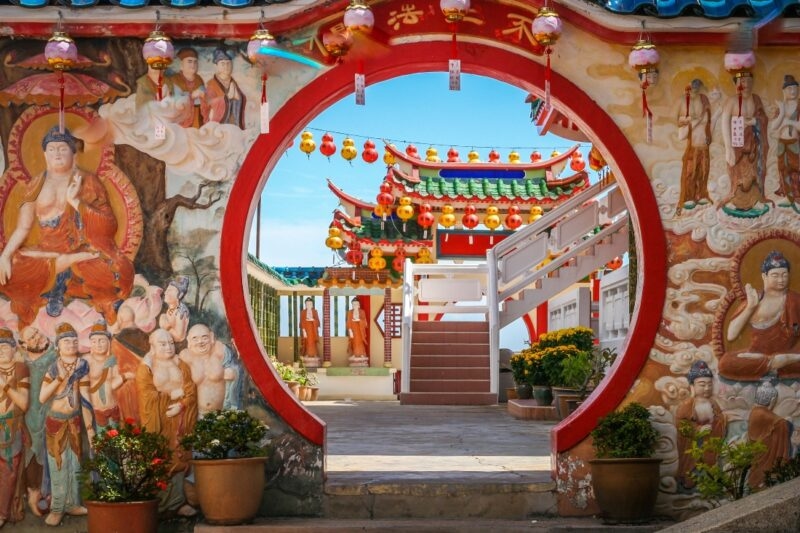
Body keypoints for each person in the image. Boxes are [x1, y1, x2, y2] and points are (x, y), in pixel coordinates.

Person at [0, 127, 134, 327]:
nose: (57, 154)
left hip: (83, 249)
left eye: (62, 148)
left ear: (73, 153)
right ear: (44, 154)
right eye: (52, 149)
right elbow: (22, 228)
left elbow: (109, 224)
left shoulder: (88, 181)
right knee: (9, 270)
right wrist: (5, 256)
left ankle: (62, 273)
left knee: (121, 272)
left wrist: (76, 203)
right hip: (46, 251)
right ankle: (63, 268)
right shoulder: (36, 184)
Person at [136, 328, 197, 516]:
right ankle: (159, 503)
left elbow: (191, 391)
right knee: (159, 457)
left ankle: (177, 503)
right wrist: (169, 396)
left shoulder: (181, 365)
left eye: (171, 343)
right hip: (158, 420)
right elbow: (146, 396)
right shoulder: (147, 367)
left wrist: (181, 406)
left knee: (179, 456)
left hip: (179, 419)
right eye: (163, 344)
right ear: (152, 346)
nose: (169, 347)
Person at [39, 323, 94, 526]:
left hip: (75, 421)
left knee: (76, 464)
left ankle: (72, 503)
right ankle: (57, 507)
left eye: (74, 341)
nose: (71, 344)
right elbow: (42, 397)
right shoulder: (54, 367)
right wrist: (59, 379)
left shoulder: (82, 366)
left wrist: (90, 430)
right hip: (56, 422)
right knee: (58, 466)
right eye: (66, 341)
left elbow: (86, 398)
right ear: (58, 346)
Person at [720, 250, 800, 380]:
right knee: (725, 363)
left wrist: (793, 356)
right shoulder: (754, 299)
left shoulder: (796, 301)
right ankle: (772, 363)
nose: (781, 280)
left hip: (789, 356)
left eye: (784, 275)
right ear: (764, 276)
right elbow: (731, 335)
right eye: (775, 275)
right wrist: (751, 307)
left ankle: (782, 360)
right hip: (755, 357)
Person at [720, 72, 770, 216]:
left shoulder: (756, 99)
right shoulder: (731, 101)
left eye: (748, 81)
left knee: (753, 174)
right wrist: (728, 148)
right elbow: (724, 123)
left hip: (753, 146)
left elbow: (763, 118)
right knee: (739, 176)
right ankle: (739, 203)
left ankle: (753, 202)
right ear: (735, 83)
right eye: (742, 81)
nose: (746, 84)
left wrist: (755, 122)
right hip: (737, 147)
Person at [19, 326, 56, 518]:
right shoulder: (22, 362)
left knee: (50, 454)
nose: (37, 337)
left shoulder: (55, 356)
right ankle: (33, 496)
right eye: (31, 337)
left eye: (37, 333)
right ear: (24, 345)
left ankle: (49, 496)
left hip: (51, 413)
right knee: (30, 454)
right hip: (28, 416)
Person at [675, 361, 726, 491]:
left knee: (712, 466)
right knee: (693, 470)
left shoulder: (713, 403)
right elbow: (682, 425)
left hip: (710, 444)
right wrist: (698, 430)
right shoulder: (687, 406)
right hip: (693, 447)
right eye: (702, 385)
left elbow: (720, 419)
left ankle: (712, 483)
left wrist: (719, 423)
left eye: (709, 384)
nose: (707, 388)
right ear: (692, 386)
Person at [0, 327, 29, 528]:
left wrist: (5, 385)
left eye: (3, 347)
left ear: (13, 349)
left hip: (12, 426)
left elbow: (23, 403)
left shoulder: (20, 369)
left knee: (9, 471)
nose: (0, 351)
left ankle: (3, 512)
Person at [178, 323, 241, 416]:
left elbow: (235, 369)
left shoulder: (220, 351)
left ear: (211, 337)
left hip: (220, 414)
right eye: (195, 338)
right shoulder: (185, 357)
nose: (200, 342)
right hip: (195, 414)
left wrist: (234, 373)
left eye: (204, 337)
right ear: (189, 342)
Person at [675, 79, 712, 215]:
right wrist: (690, 120)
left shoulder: (704, 100)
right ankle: (688, 197)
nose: (696, 92)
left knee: (704, 170)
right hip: (693, 142)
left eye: (698, 89)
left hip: (703, 141)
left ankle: (701, 194)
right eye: (693, 89)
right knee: (690, 171)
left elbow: (709, 118)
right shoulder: (684, 101)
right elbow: (679, 120)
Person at [747, 380, 792, 489]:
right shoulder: (762, 414)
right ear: (772, 400)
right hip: (765, 454)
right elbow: (781, 423)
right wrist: (788, 423)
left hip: (759, 451)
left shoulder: (754, 411)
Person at [86, 321, 129, 428]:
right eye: (94, 341)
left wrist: (125, 376)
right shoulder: (87, 361)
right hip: (96, 409)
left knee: (116, 438)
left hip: (113, 407)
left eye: (102, 341)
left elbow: (113, 385)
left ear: (108, 342)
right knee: (101, 441)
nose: (98, 345)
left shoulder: (112, 359)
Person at [770, 74, 800, 204]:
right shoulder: (781, 106)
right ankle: (786, 195)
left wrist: (787, 122)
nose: (792, 91)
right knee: (782, 168)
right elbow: (774, 126)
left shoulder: (799, 106)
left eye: (795, 88)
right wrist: (782, 112)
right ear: (784, 91)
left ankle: (796, 195)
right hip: (782, 143)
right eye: (789, 89)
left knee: (795, 169)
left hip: (794, 143)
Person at [202, 47, 246, 129]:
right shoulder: (211, 84)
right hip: (218, 126)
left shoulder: (233, 83)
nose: (226, 66)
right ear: (216, 66)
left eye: (228, 63)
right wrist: (226, 97)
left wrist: (238, 97)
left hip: (233, 125)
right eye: (222, 63)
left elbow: (241, 100)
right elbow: (208, 104)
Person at [169, 47, 205, 128]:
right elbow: (176, 100)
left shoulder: (199, 79)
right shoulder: (175, 79)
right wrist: (191, 96)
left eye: (195, 62)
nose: (193, 65)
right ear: (182, 65)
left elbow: (204, 96)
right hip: (180, 120)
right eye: (189, 62)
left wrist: (203, 96)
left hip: (197, 118)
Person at [158, 276, 190, 346]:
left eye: (170, 290)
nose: (165, 292)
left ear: (180, 295)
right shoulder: (171, 308)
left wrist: (165, 326)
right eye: (167, 290)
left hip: (178, 345)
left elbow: (178, 337)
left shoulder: (181, 312)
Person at [346, 297, 368, 366]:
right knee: (354, 342)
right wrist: (350, 331)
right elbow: (349, 322)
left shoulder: (362, 312)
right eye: (353, 304)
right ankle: (355, 354)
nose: (355, 305)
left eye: (356, 304)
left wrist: (359, 320)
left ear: (359, 305)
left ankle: (362, 354)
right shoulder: (350, 312)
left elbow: (365, 322)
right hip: (353, 329)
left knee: (360, 342)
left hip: (360, 330)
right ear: (352, 305)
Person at [300, 297, 321, 363]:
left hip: (313, 329)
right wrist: (303, 331)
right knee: (307, 342)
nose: (309, 305)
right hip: (306, 329)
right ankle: (306, 354)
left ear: (312, 305)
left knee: (313, 342)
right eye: (307, 304)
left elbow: (318, 322)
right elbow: (301, 322)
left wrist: (313, 319)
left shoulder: (315, 311)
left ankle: (314, 354)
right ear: (305, 304)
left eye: (310, 304)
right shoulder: (303, 312)